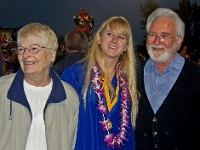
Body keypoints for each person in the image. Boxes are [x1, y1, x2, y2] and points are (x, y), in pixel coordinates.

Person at [61, 16, 138, 150]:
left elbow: (128, 132)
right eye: (109, 34)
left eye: (121, 37)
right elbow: (60, 123)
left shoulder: (127, 82)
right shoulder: (76, 75)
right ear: (98, 38)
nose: (114, 40)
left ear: (126, 46)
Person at [0, 23, 79, 150]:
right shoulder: (3, 90)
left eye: (34, 48)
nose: (25, 55)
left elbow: (71, 144)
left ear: (52, 55)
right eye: (21, 49)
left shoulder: (69, 97)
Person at [135, 8, 200, 150]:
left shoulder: (196, 75)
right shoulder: (133, 73)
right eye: (152, 34)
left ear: (178, 41)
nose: (157, 41)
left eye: (165, 36)